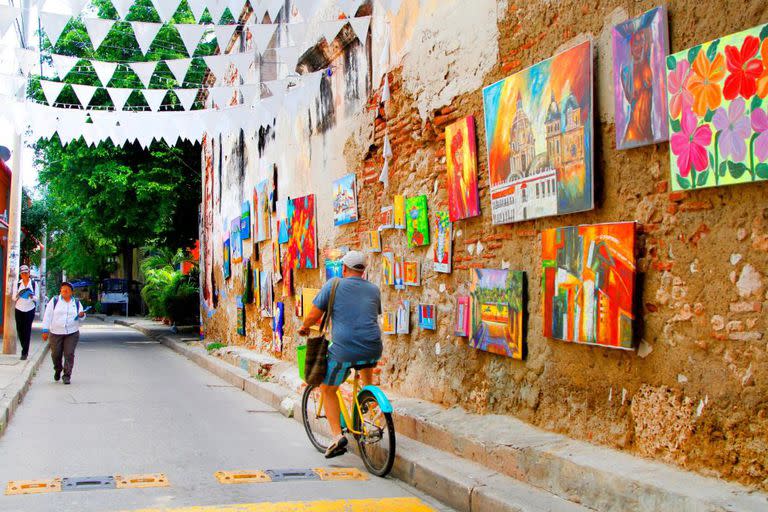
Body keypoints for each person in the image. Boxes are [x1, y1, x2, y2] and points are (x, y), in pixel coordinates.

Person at [298, 251, 382, 459]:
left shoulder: (334, 284)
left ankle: (337, 437)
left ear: (344, 268)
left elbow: (313, 315)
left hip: (345, 349)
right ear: (363, 270)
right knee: (365, 375)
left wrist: (305, 327)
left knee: (328, 388)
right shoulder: (373, 290)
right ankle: (369, 405)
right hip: (373, 347)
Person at [41, 282, 86, 385]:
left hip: (72, 332)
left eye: (67, 289)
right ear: (60, 291)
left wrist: (82, 315)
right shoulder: (55, 301)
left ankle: (67, 375)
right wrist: (45, 330)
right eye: (63, 289)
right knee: (55, 354)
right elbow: (47, 315)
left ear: (71, 292)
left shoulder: (77, 303)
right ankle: (58, 369)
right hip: (56, 332)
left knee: (69, 354)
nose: (64, 291)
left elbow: (82, 317)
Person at [12, 265, 37, 360]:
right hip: (19, 308)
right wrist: (19, 294)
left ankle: (25, 352)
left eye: (26, 273)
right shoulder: (18, 284)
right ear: (21, 275)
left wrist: (31, 296)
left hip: (30, 308)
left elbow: (37, 298)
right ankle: (24, 346)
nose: (24, 275)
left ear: (29, 274)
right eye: (22, 274)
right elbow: (13, 298)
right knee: (20, 330)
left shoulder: (34, 284)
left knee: (27, 330)